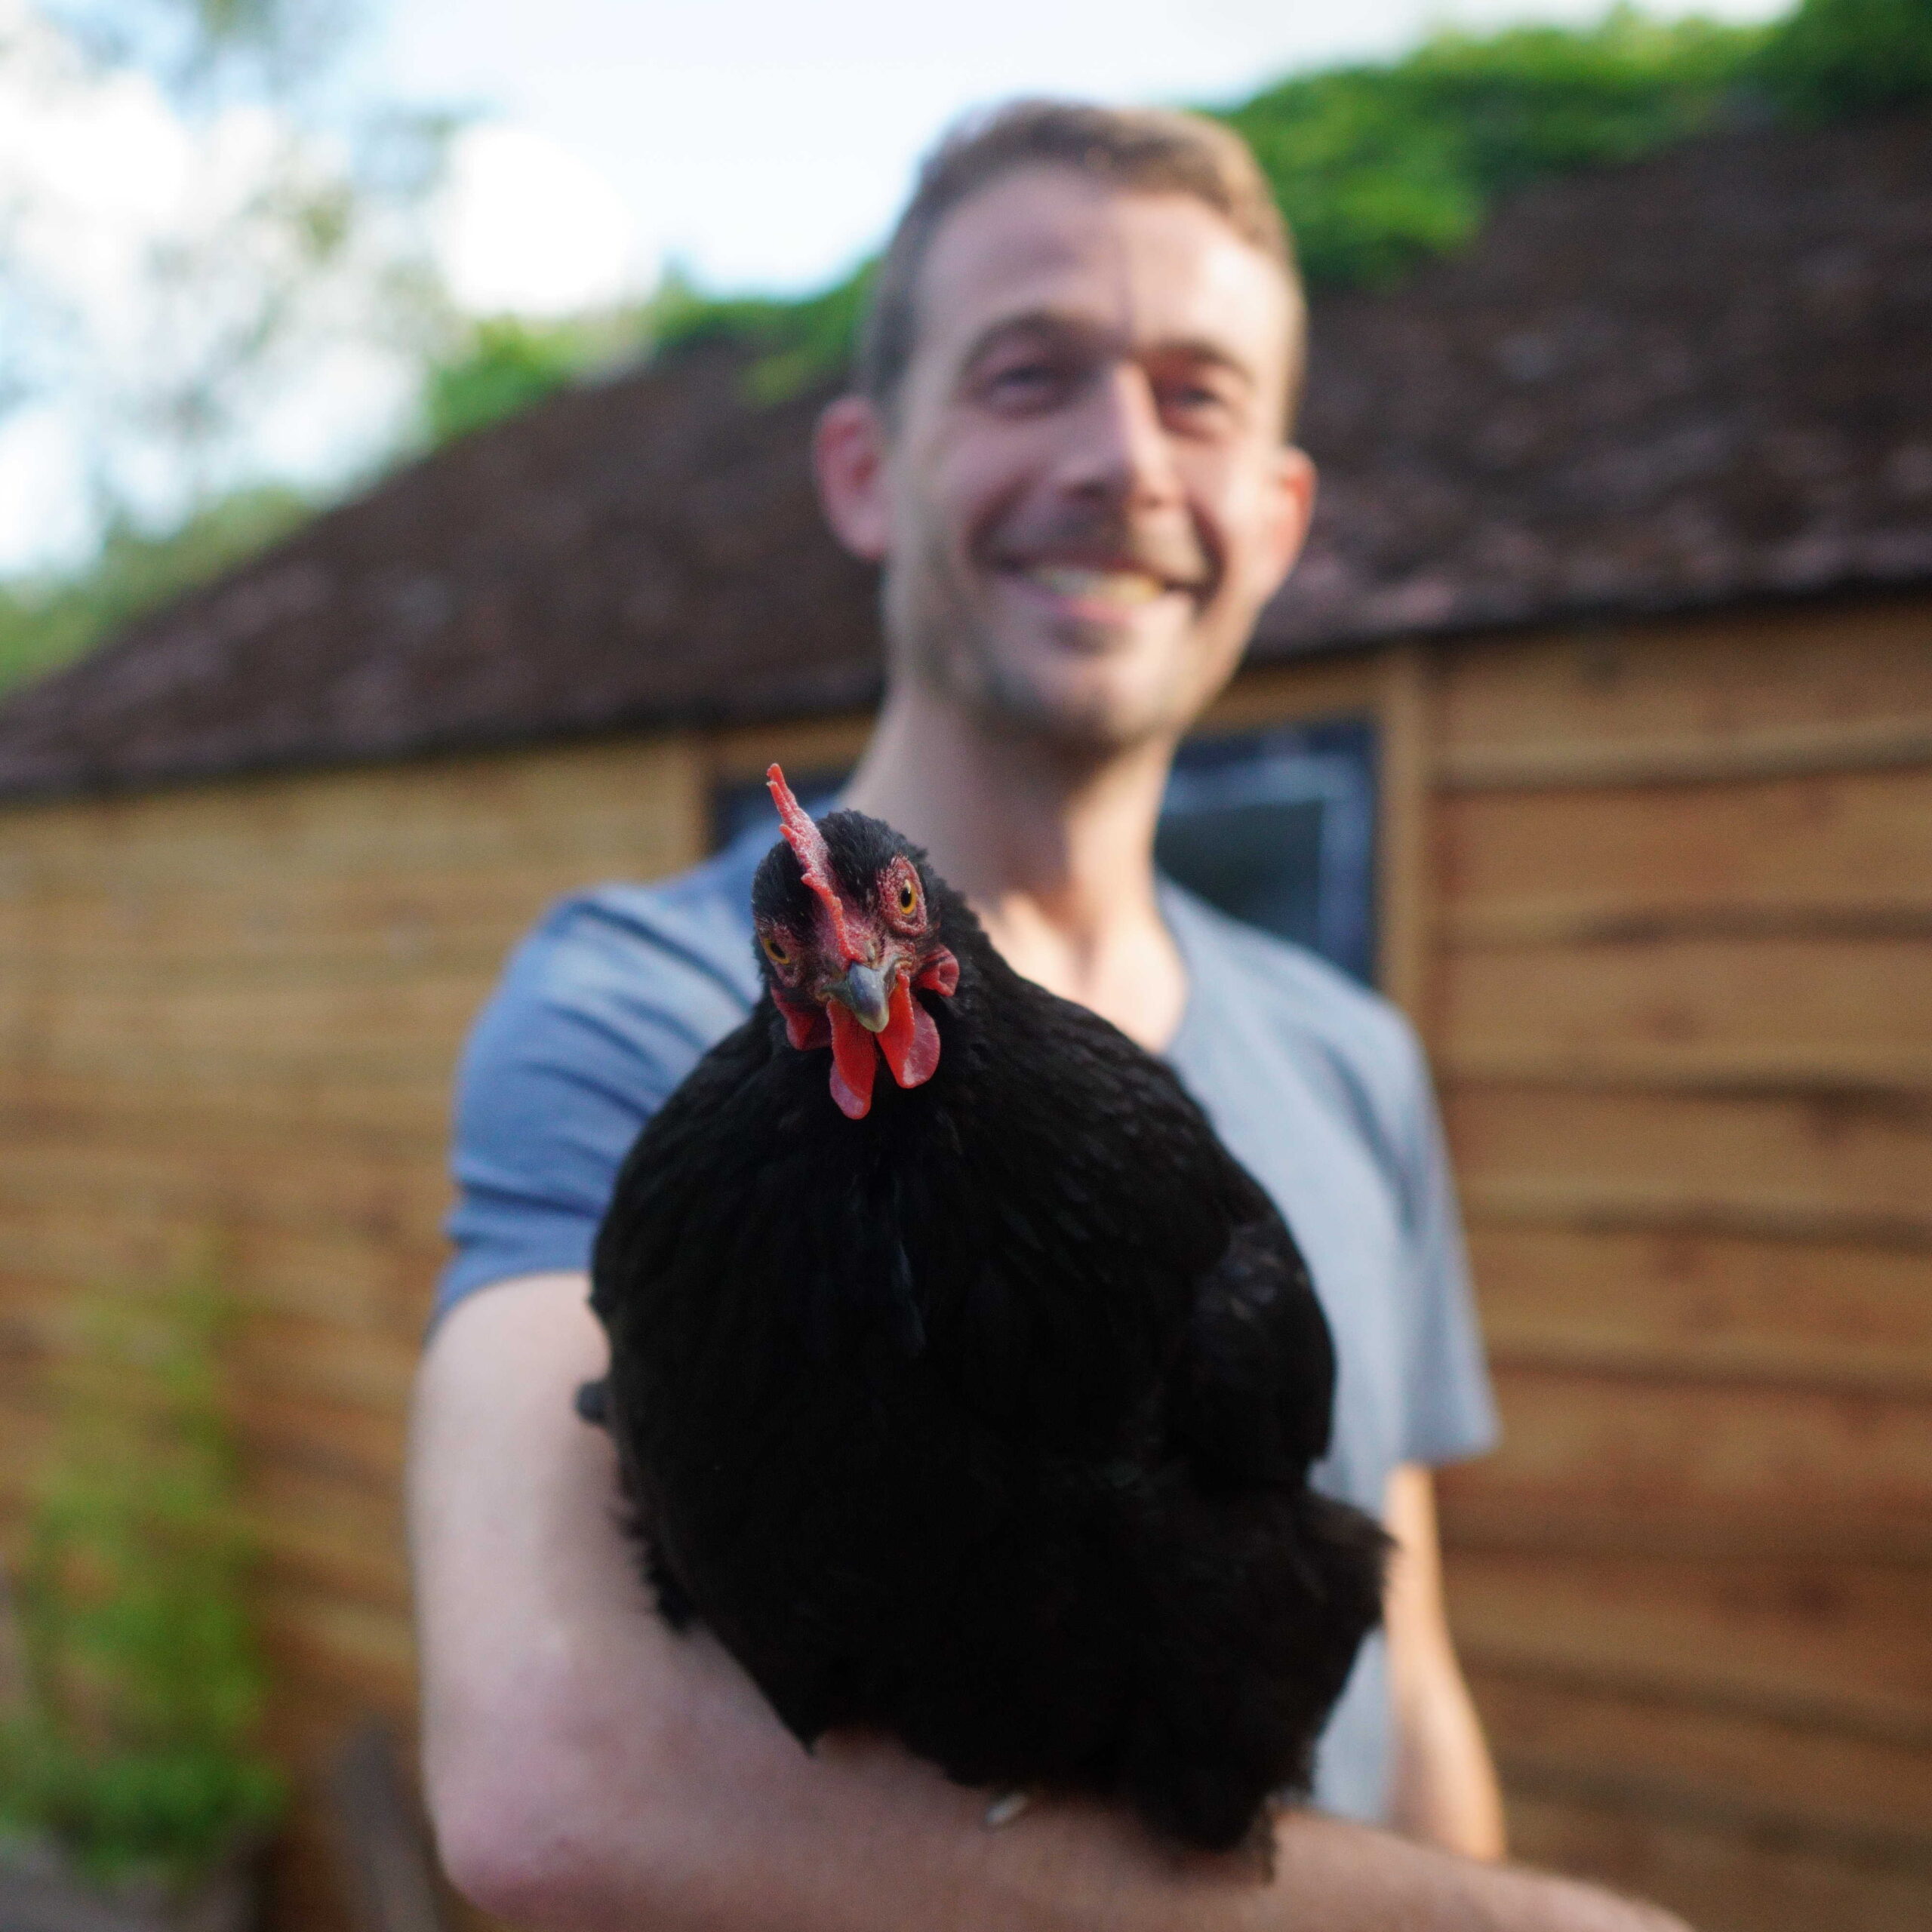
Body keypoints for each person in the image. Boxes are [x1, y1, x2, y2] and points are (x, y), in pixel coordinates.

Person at [409, 102, 1689, 1932]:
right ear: (863, 467)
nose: (1118, 458)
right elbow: (554, 1782)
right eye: (1029, 378)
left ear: (1275, 506)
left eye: (1195, 394)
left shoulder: (1350, 1055)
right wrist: (1516, 1925)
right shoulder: (622, 1013)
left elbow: (1395, 1661)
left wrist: (1458, 1883)